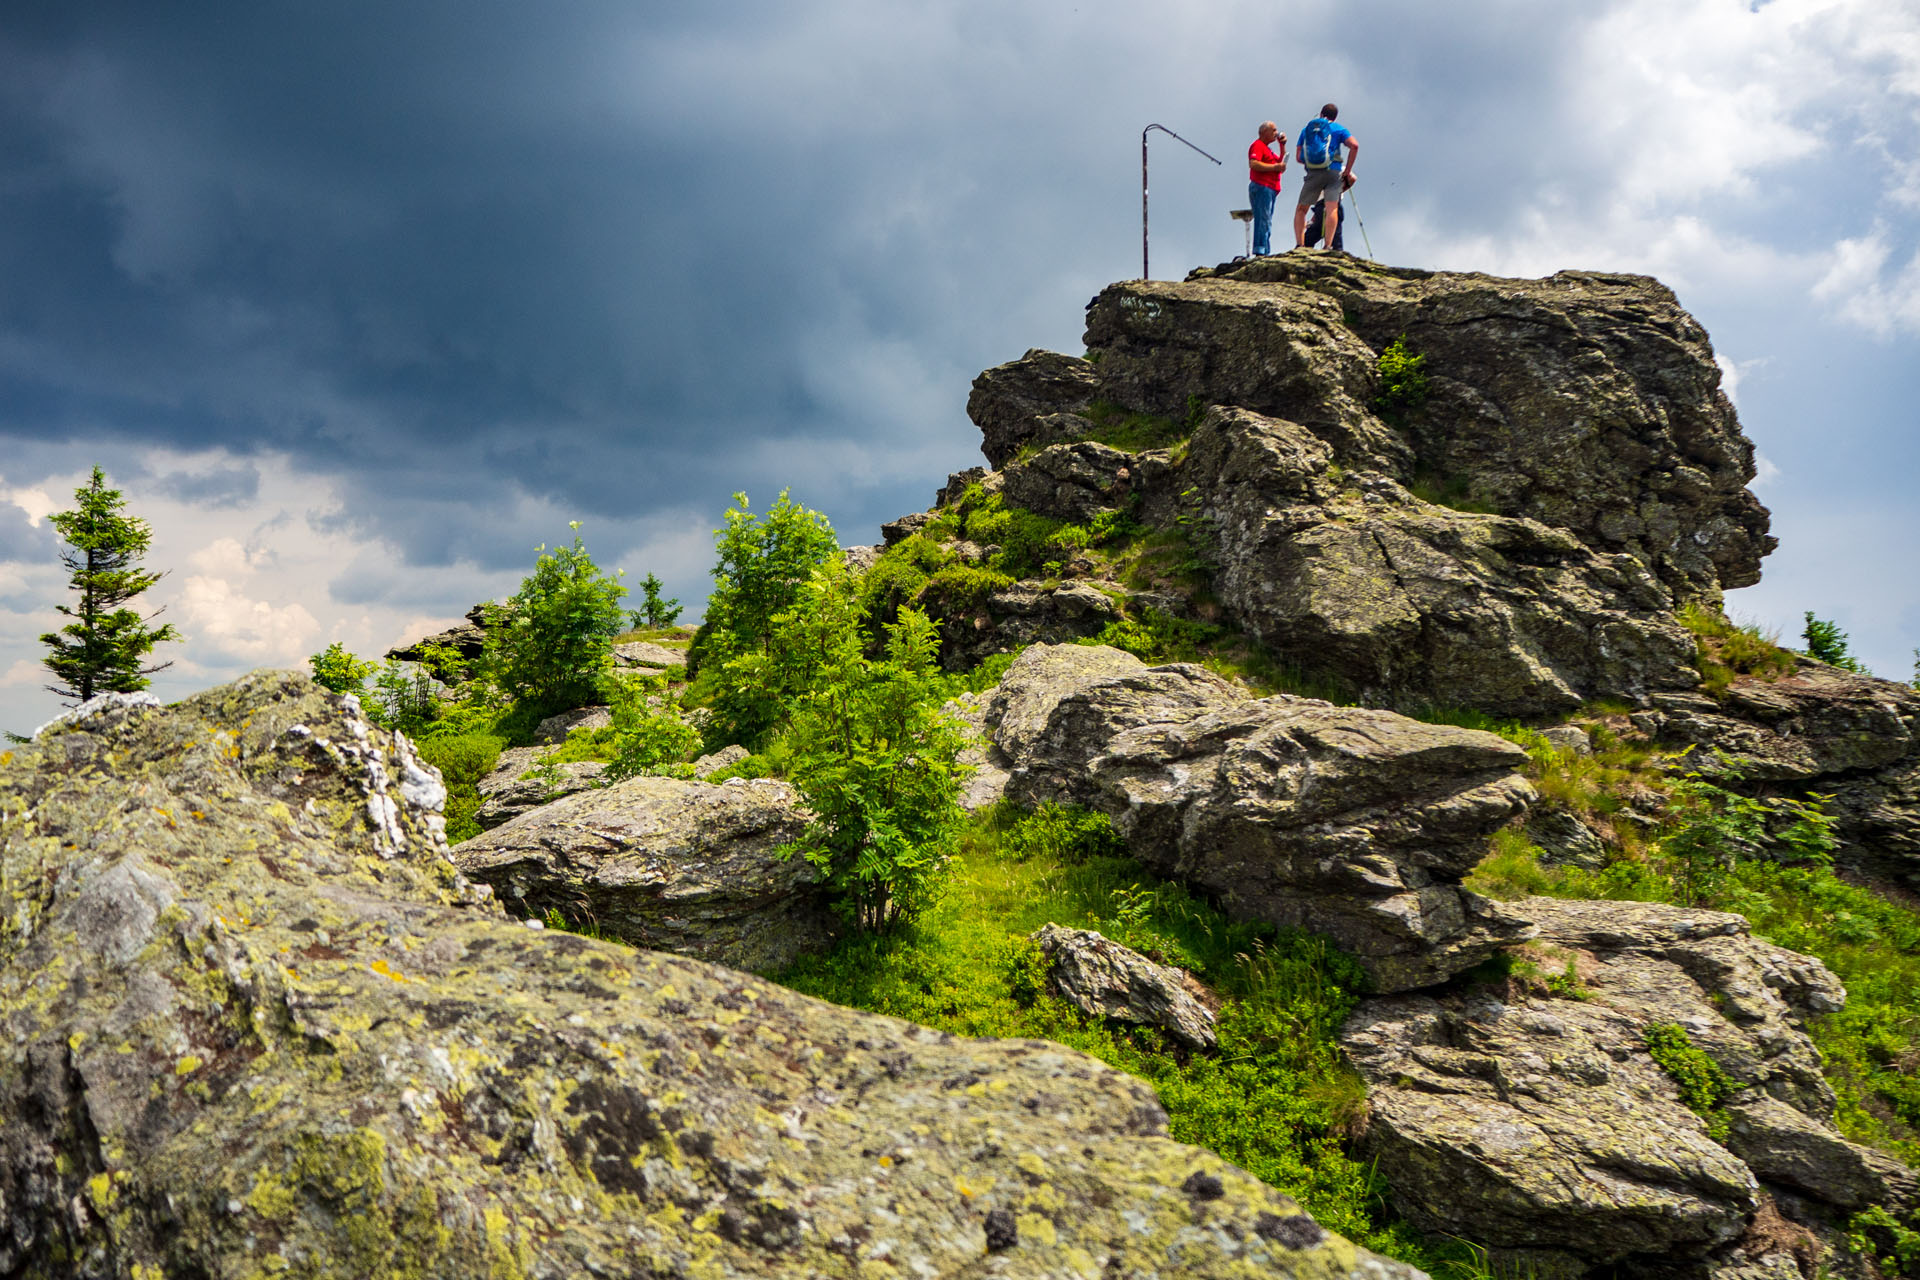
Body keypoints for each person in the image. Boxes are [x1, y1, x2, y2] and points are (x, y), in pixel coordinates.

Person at [1293, 103, 1358, 250]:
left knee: (1301, 209)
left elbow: (1298, 157)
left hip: (1313, 173)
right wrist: (1347, 170)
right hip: (1333, 171)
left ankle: (1299, 245)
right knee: (1332, 208)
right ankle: (1328, 245)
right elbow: (1354, 145)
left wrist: (1311, 162)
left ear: (1321, 114)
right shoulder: (1338, 129)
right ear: (1335, 117)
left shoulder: (1307, 129)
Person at [1246, 121, 1287, 256]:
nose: (1276, 133)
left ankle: (1264, 249)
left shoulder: (1268, 149)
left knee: (1266, 219)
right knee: (1263, 219)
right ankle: (1260, 250)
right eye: (1273, 131)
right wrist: (1275, 168)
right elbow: (1253, 163)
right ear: (1264, 132)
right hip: (1261, 187)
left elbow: (1280, 162)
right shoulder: (1257, 146)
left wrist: (1282, 146)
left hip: (1270, 188)